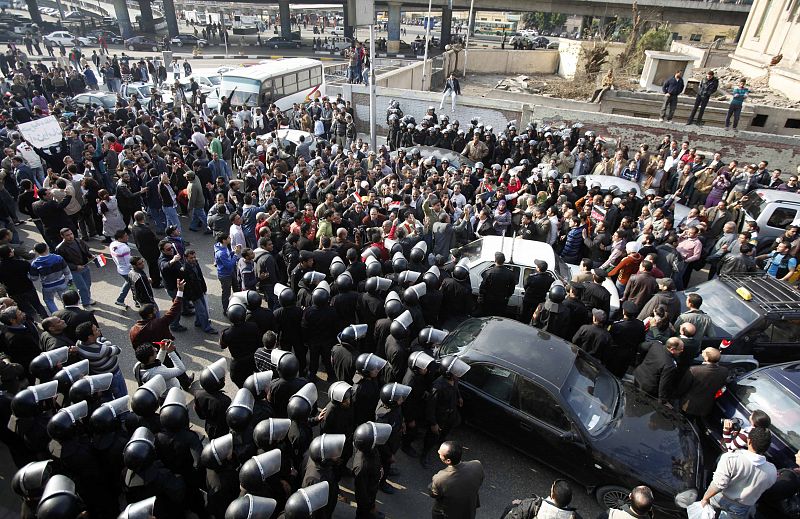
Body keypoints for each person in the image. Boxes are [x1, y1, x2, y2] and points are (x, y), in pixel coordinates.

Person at [700, 427, 777, 519]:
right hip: (742, 507)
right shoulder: (772, 471)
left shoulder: (730, 458)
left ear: (749, 441)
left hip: (719, 498)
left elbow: (718, 485)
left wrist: (705, 498)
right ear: (766, 447)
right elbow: (767, 487)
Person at [429, 441, 484, 519]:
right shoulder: (477, 465)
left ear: (448, 461)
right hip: (468, 512)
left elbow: (433, 493)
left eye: (440, 453)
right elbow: (480, 480)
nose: (438, 451)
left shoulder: (440, 478)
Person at [74, 321, 127, 398]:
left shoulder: (79, 343)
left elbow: (101, 339)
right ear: (90, 337)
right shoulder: (100, 350)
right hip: (113, 374)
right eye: (95, 330)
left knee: (107, 393)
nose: (98, 329)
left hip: (99, 374)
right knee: (121, 394)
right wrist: (106, 343)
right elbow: (118, 349)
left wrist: (103, 343)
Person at [680, 347, 729, 419]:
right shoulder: (725, 371)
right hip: (707, 406)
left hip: (690, 405)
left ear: (706, 358)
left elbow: (683, 386)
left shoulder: (694, 370)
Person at [633, 337, 684, 406]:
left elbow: (641, 347)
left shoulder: (655, 344)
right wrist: (663, 401)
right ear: (672, 349)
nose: (682, 350)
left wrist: (639, 362)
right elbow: (664, 384)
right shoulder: (670, 365)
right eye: (680, 349)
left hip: (638, 375)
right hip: (648, 387)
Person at [501, 479, 584, 519]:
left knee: (511, 506)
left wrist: (521, 504)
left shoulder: (535, 506)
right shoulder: (574, 516)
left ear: (552, 495)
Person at [55, 228, 95, 308]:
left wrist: (90, 256)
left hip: (85, 266)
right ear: (62, 236)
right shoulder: (60, 248)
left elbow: (85, 250)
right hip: (74, 271)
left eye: (71, 234)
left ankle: (87, 298)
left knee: (87, 285)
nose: (70, 236)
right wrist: (75, 267)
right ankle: (86, 304)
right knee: (82, 287)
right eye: (67, 235)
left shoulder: (78, 241)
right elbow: (62, 263)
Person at [28, 242, 72, 314]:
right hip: (61, 283)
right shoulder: (58, 258)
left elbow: (34, 278)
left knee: (49, 301)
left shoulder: (35, 263)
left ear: (35, 251)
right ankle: (69, 313)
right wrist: (69, 280)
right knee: (66, 299)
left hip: (47, 286)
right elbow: (67, 271)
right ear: (47, 248)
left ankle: (57, 316)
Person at [478, 252, 515, 317]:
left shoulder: (488, 272)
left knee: (487, 317)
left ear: (495, 260)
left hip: (489, 300)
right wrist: (507, 295)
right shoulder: (510, 273)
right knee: (499, 317)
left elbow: (483, 287)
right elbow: (512, 288)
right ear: (504, 261)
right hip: (502, 301)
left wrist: (482, 296)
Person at [109, 229, 133, 308]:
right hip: (127, 271)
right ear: (119, 238)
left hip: (120, 269)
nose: (127, 237)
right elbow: (128, 262)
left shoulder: (112, 244)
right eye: (125, 236)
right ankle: (135, 301)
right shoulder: (124, 248)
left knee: (128, 284)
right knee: (134, 286)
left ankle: (120, 300)